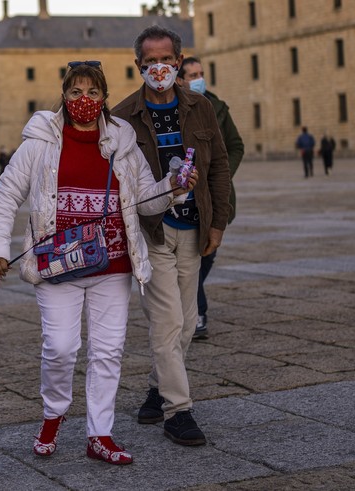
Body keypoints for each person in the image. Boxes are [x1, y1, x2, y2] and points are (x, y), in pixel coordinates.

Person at [0, 61, 193, 465]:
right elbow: (7, 194)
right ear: (64, 95)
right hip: (58, 262)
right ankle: (53, 415)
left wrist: (173, 185)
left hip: (111, 263)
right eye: (76, 93)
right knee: (60, 348)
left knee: (108, 351)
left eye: (93, 93)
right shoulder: (40, 140)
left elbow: (145, 197)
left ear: (104, 98)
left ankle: (100, 432)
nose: (84, 101)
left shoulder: (122, 141)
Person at [111, 25, 231, 447]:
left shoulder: (200, 107)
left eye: (166, 60)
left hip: (194, 226)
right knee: (167, 324)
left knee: (182, 326)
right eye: (150, 62)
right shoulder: (123, 116)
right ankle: (178, 411)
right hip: (152, 232)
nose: (158, 68)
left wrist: (219, 223)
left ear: (178, 62)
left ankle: (156, 388)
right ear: (138, 66)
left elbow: (218, 166)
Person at [176, 57, 244, 339]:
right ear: (180, 79)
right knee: (189, 259)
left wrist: (223, 173)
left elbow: (236, 146)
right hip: (184, 195)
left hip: (215, 196)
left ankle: (190, 303)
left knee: (206, 257)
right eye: (192, 74)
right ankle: (198, 313)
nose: (198, 78)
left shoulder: (218, 107)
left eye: (201, 73)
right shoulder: (172, 108)